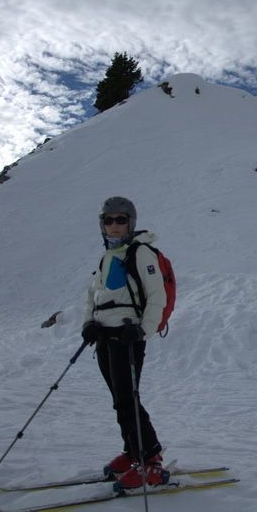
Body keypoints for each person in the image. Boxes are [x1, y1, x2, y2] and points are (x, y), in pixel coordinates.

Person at [81, 196, 169, 489]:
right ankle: (133, 451)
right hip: (104, 337)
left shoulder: (141, 253)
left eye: (120, 219)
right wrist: (88, 323)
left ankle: (151, 459)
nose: (114, 225)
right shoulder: (107, 256)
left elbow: (157, 296)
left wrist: (143, 330)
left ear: (130, 223)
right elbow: (92, 295)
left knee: (127, 399)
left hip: (127, 336)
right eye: (108, 220)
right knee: (119, 399)